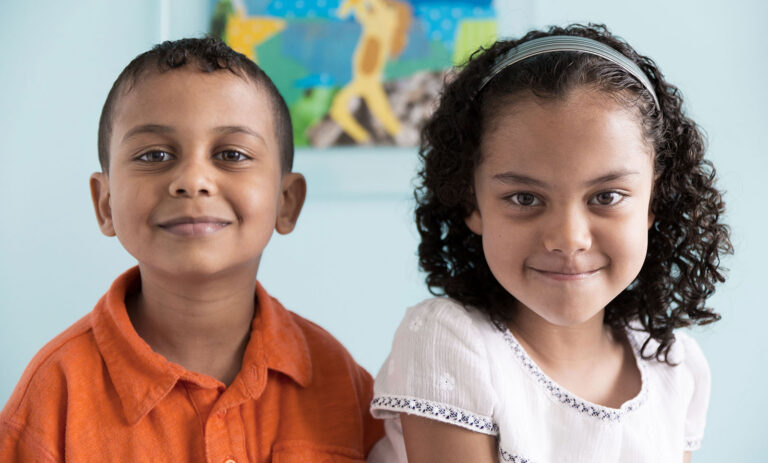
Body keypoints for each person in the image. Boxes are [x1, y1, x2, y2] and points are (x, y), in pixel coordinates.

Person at [0, 37, 382, 462]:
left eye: (232, 154)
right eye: (155, 154)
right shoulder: (56, 392)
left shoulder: (337, 379)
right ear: (105, 204)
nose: (193, 180)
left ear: (286, 201)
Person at [368, 24, 732, 462]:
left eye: (607, 197)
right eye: (524, 198)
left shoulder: (674, 364)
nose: (568, 238)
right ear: (473, 203)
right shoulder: (451, 341)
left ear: (653, 201)